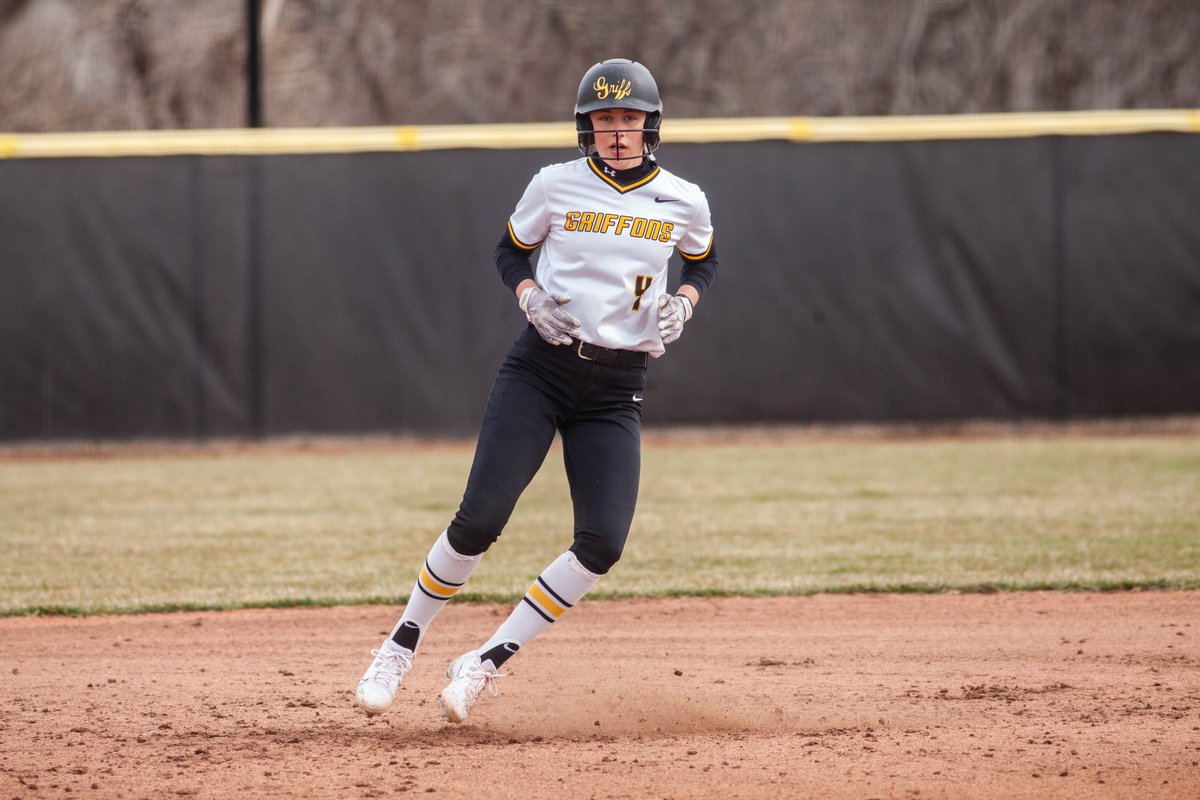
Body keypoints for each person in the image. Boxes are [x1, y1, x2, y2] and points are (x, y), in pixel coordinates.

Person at [355, 57, 719, 723]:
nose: (617, 131)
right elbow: (509, 249)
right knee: (480, 520)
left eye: (629, 119)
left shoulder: (684, 199)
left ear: (650, 127)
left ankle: (481, 663)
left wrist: (687, 301)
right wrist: (527, 295)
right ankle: (400, 643)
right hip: (542, 369)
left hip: (617, 388)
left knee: (603, 543)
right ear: (586, 128)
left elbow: (704, 258)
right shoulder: (556, 186)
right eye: (604, 119)